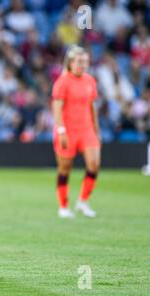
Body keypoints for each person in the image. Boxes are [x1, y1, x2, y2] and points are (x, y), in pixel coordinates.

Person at [51, 45, 101, 219]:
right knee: (65, 168)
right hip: (68, 130)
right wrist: (61, 130)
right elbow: (57, 108)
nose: (83, 65)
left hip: (86, 129)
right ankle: (63, 206)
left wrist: (96, 129)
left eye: (85, 61)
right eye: (79, 61)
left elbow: (92, 106)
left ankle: (83, 200)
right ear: (70, 62)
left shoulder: (90, 81)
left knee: (94, 164)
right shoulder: (63, 82)